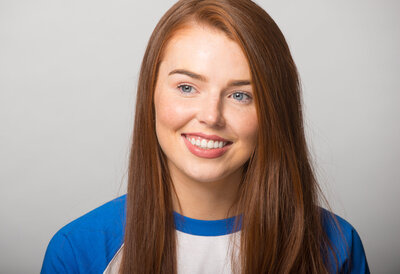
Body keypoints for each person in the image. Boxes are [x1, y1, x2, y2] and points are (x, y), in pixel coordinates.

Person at [41, 0, 370, 273]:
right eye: (187, 87)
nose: (211, 116)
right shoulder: (78, 251)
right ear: (150, 95)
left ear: (273, 112)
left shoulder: (336, 246)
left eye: (241, 95)